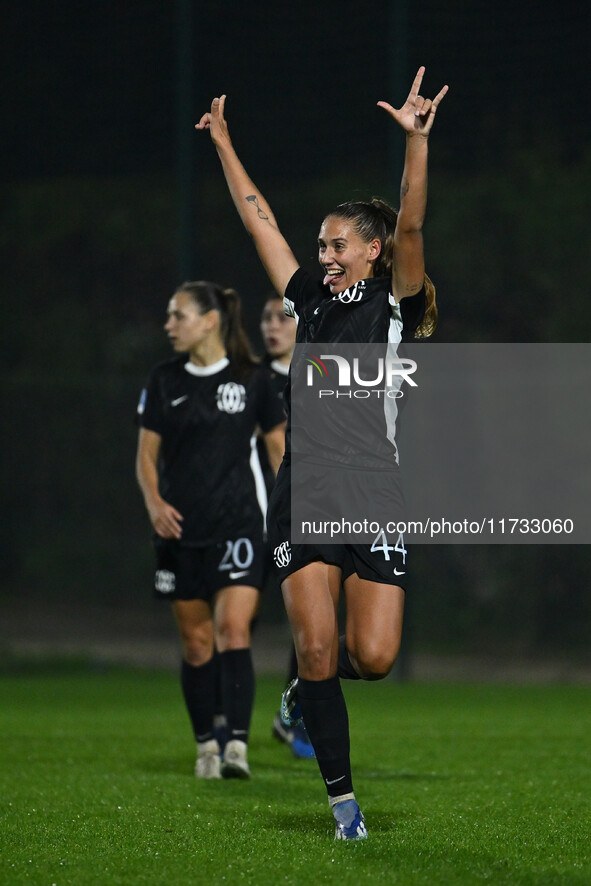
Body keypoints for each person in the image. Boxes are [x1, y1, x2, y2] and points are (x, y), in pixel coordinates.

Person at [197, 66, 448, 837]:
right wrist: (226, 146)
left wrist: (414, 144)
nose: (323, 254)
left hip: (375, 489)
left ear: (371, 251)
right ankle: (344, 807)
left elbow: (411, 225)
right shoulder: (308, 296)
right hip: (306, 486)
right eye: (320, 245)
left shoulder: (394, 300)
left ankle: (302, 691)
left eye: (337, 244)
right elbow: (259, 224)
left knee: (369, 656)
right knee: (313, 645)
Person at [136, 281, 286, 780]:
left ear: (209, 321)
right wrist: (155, 503)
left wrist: (293, 512)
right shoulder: (163, 380)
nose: (169, 325)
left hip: (240, 525)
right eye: (169, 316)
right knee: (197, 643)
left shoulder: (254, 380)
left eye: (178, 316)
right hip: (181, 531)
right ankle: (206, 746)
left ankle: (237, 748)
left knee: (233, 631)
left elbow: (278, 451)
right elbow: (146, 456)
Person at [259, 295, 315, 760]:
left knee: (311, 620)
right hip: (252, 514)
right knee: (236, 622)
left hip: (292, 514)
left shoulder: (318, 370)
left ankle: (291, 715)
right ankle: (223, 729)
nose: (273, 326)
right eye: (266, 318)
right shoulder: (251, 380)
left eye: (283, 317)